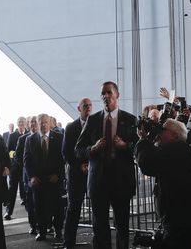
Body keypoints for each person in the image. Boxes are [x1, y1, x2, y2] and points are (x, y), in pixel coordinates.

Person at [75, 81, 138, 249]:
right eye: (103, 93)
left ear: (117, 95)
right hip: (98, 181)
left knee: (122, 226)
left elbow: (139, 147)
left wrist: (125, 146)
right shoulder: (93, 120)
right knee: (99, 226)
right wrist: (93, 148)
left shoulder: (130, 119)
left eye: (109, 93)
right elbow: (78, 150)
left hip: (121, 180)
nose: (105, 96)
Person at [135, 118, 191, 248]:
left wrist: (143, 140)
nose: (159, 133)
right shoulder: (177, 149)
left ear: (174, 135)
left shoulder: (176, 150)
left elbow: (147, 162)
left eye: (163, 130)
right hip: (180, 217)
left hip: (179, 220)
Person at [24, 113, 65, 241]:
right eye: (40, 122)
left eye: (45, 122)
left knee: (58, 207)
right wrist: (31, 177)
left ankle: (58, 231)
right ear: (36, 123)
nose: (43, 124)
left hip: (54, 179)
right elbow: (27, 160)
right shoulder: (30, 139)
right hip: (38, 180)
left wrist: (58, 175)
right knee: (39, 207)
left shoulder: (59, 137)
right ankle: (41, 232)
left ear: (50, 123)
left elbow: (63, 159)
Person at [62, 98, 92, 249]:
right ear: (79, 108)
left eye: (90, 106)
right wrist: (79, 166)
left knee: (99, 209)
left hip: (94, 173)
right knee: (73, 210)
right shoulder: (71, 128)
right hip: (76, 175)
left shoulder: (96, 124)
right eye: (85, 106)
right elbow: (66, 153)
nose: (88, 108)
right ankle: (68, 243)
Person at [4, 116, 27, 220]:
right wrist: (15, 155)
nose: (21, 124)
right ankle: (9, 211)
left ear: (26, 124)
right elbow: (8, 151)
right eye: (19, 123)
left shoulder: (28, 134)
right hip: (15, 166)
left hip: (26, 167)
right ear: (17, 124)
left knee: (26, 189)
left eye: (23, 122)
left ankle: (30, 214)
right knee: (12, 189)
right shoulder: (13, 135)